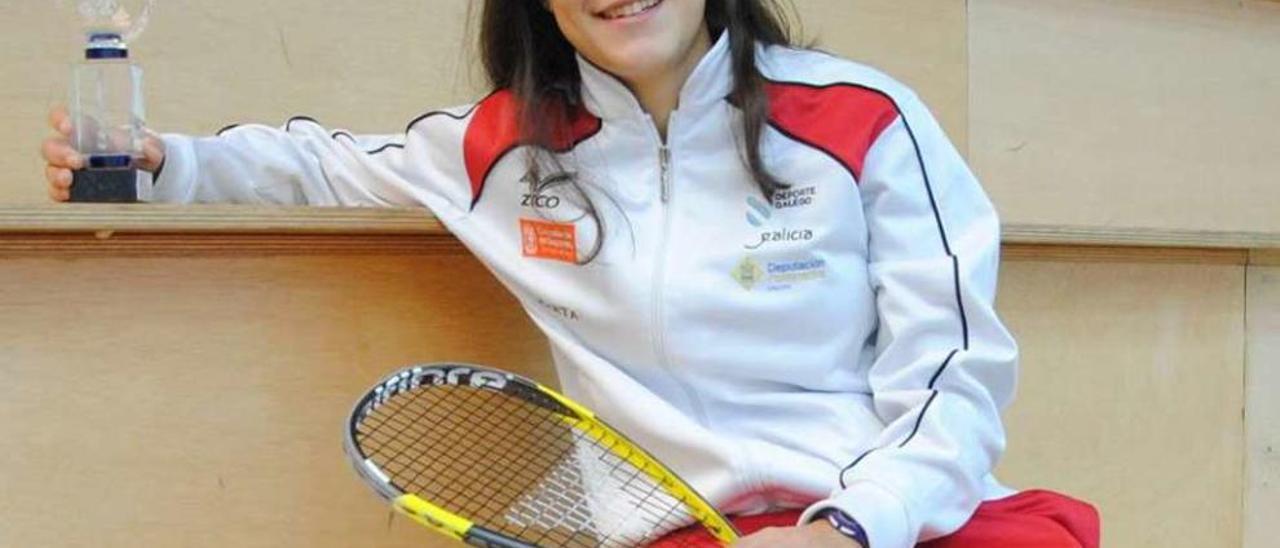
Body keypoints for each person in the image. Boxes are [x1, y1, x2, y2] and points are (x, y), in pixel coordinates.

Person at [42, 1, 1099, 546]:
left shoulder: (863, 118)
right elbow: (318, 159)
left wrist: (846, 525)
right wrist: (162, 163)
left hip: (892, 523)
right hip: (672, 527)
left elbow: (952, 380)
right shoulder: (501, 148)